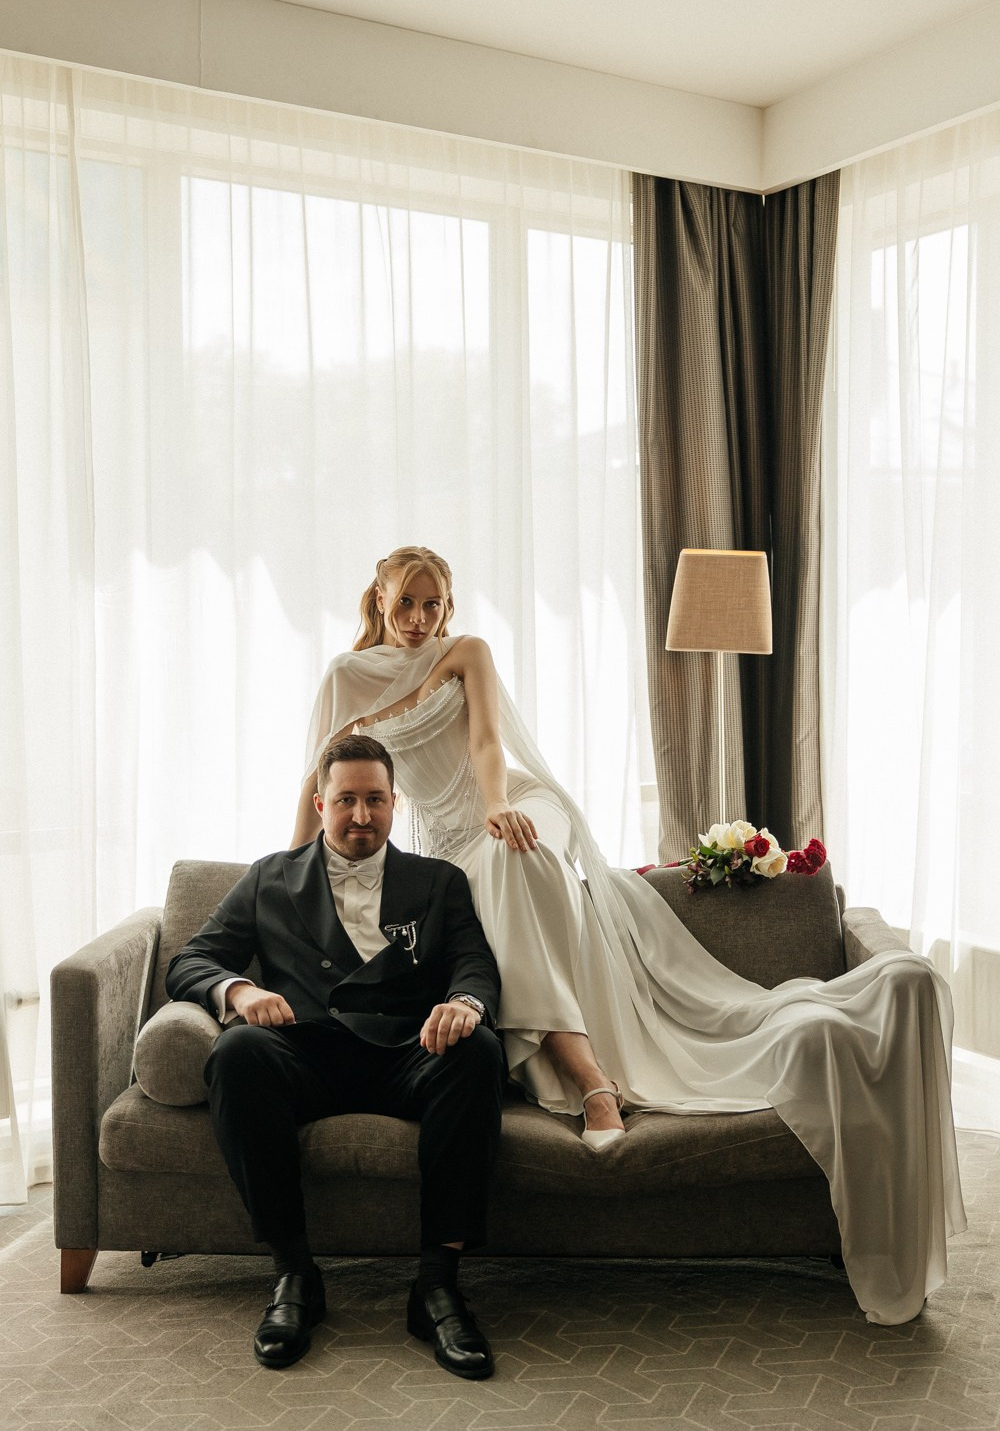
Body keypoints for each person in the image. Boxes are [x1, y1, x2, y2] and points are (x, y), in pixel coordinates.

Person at [291, 545, 966, 1330]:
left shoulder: (466, 652)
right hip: (447, 841)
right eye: (406, 602)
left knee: (517, 856)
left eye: (433, 603)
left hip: (511, 807)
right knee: (491, 880)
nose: (419, 618)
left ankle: (591, 1083)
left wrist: (497, 804)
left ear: (450, 606)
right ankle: (588, 1069)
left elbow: (486, 745)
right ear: (379, 597)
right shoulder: (345, 676)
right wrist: (288, 874)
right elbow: (318, 781)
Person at [168, 734, 505, 1379]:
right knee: (238, 1052)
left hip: (409, 1051)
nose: (361, 815)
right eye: (346, 799)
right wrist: (240, 991)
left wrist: (464, 1002)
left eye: (375, 799)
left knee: (478, 1050)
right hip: (308, 1054)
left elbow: (474, 963)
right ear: (320, 804)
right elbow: (192, 960)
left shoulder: (439, 880)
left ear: (395, 803)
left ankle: (437, 1285)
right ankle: (295, 1274)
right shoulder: (270, 876)